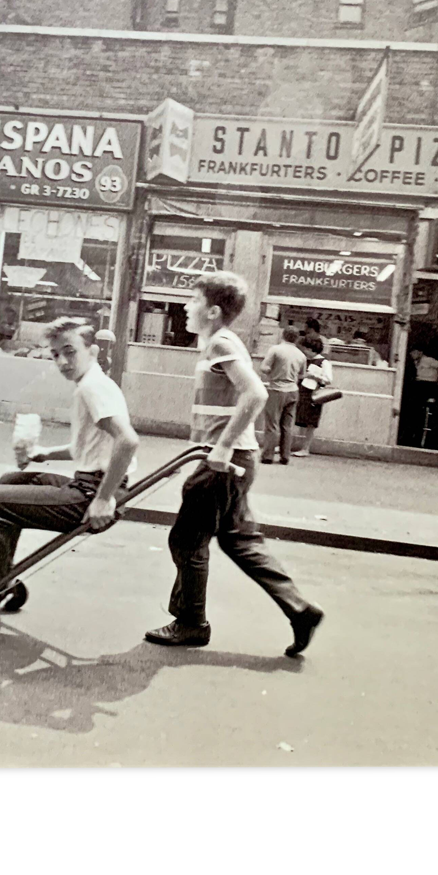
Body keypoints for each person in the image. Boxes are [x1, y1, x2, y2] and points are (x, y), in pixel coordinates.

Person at [143, 273, 323, 656]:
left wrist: (221, 448)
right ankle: (299, 609)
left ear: (212, 310)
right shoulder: (221, 343)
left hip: (225, 462)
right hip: (235, 459)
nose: (185, 307)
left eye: (191, 301)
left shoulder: (220, 342)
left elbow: (256, 393)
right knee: (240, 540)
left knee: (187, 540)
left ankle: (191, 623)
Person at [0, 318, 138, 610]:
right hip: (92, 482)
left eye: (70, 351)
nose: (63, 361)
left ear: (91, 351)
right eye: (56, 354)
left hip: (94, 492)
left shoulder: (92, 389)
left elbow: (127, 442)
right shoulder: (94, 384)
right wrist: (43, 454)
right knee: (10, 481)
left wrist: (103, 499)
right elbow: (89, 447)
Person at [258, 326, 305, 464]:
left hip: (276, 389)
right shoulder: (301, 355)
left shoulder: (275, 350)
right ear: (296, 338)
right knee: (287, 425)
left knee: (272, 424)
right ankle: (285, 456)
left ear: (283, 335)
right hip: (293, 391)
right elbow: (302, 374)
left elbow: (264, 368)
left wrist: (273, 371)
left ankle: (267, 456)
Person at [291, 332, 334, 457]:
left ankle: (305, 448)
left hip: (313, 392)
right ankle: (289, 444)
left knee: (310, 422)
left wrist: (314, 375)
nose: (304, 351)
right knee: (296, 418)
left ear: (311, 349)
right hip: (301, 390)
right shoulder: (304, 360)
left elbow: (328, 379)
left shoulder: (324, 362)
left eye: (305, 349)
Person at [408, 347, 438, 444]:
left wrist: (437, 375)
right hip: (420, 385)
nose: (412, 355)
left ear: (420, 352)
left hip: (428, 385)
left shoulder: (428, 360)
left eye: (414, 352)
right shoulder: (416, 363)